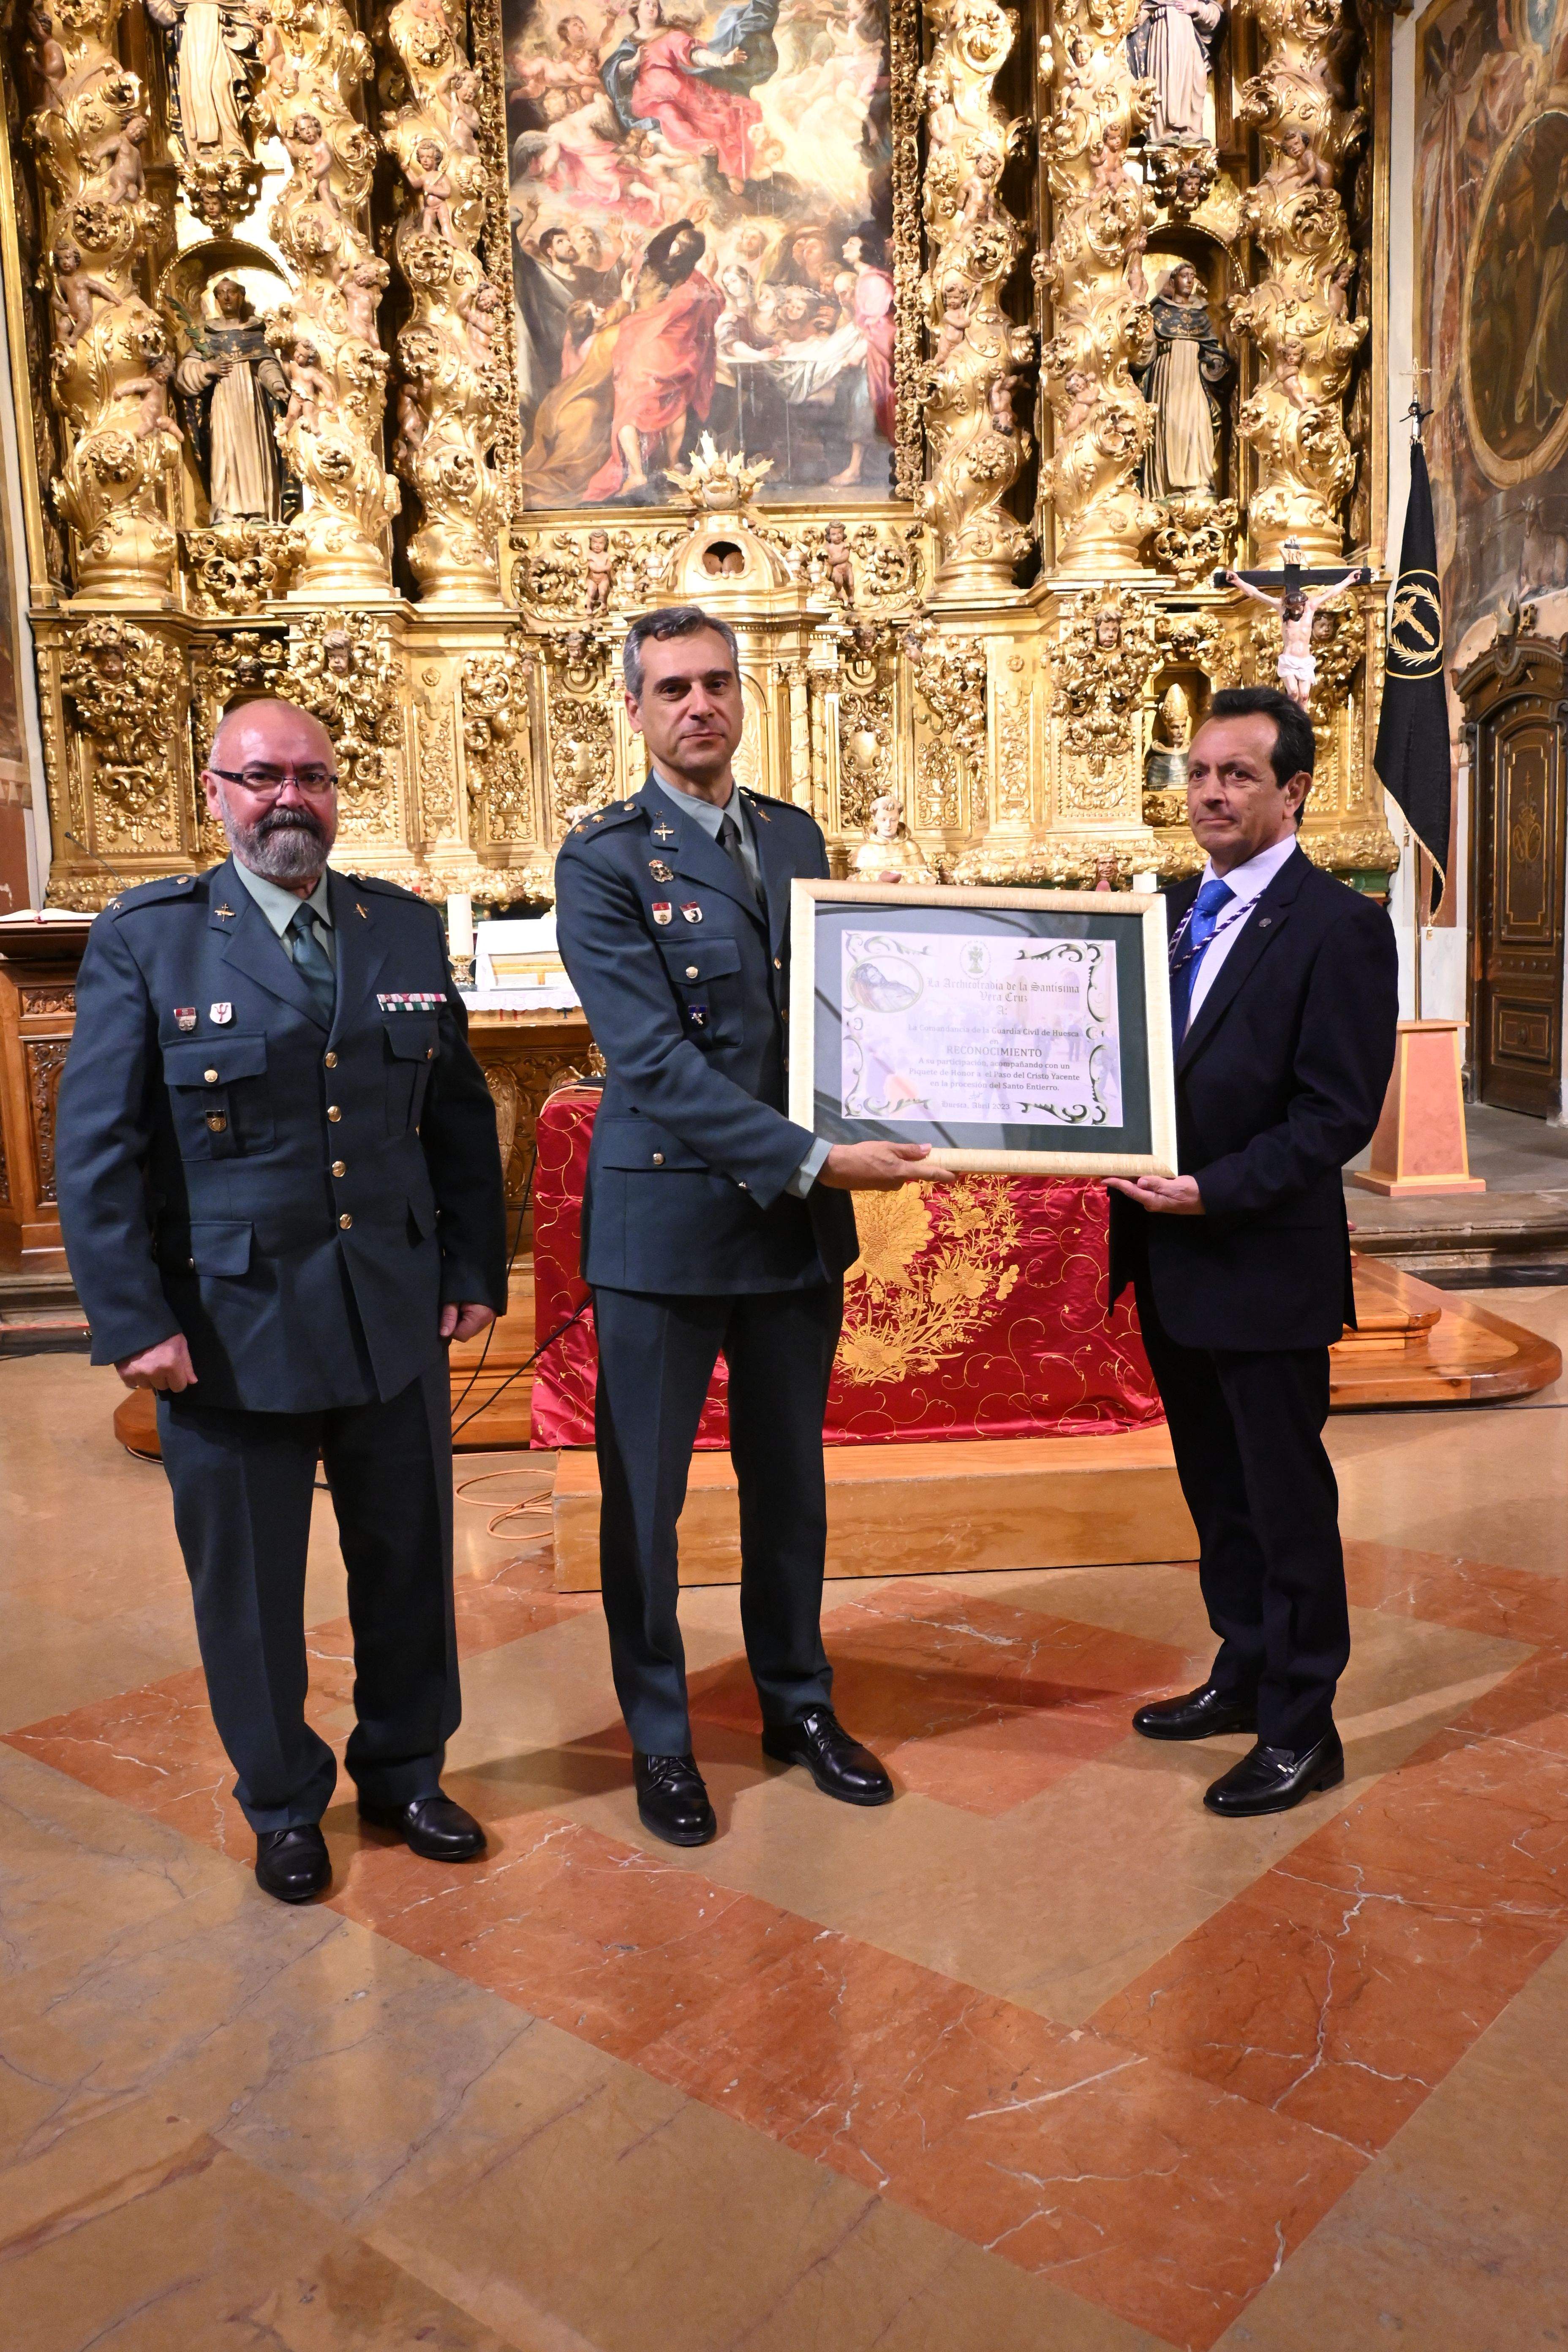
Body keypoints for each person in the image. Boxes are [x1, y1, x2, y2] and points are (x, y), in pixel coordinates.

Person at [55, 699, 508, 1904]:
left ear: (337, 789)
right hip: (227, 1323)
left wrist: (469, 1269)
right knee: (250, 1585)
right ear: (216, 792)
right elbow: (96, 1148)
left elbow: (457, 1118)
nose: (287, 799)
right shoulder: (151, 938)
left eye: (310, 775)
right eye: (261, 779)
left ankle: (408, 1771)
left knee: (409, 1559)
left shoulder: (399, 931)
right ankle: (282, 1802)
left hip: (388, 1309)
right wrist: (132, 1319)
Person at [553, 606, 952, 1848]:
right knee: (647, 1500)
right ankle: (662, 1737)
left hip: (786, 1236)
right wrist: (818, 1159)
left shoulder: (793, 837)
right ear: (634, 710)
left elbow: (837, 1019)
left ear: (745, 695)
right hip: (668, 1228)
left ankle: (799, 1704)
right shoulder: (603, 861)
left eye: (717, 683)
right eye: (671, 688)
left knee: (791, 1486)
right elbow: (654, 1066)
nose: (698, 706)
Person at [1106, 685, 1398, 1818]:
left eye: (1237, 774)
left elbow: (1335, 1116)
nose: (1212, 792)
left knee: (1283, 1502)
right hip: (1173, 1260)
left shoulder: (1338, 925)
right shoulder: (1179, 908)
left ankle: (1301, 1722)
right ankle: (1242, 1667)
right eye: (1198, 773)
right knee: (1216, 1493)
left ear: (1294, 791)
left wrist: (1211, 1190)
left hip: (1260, 1257)